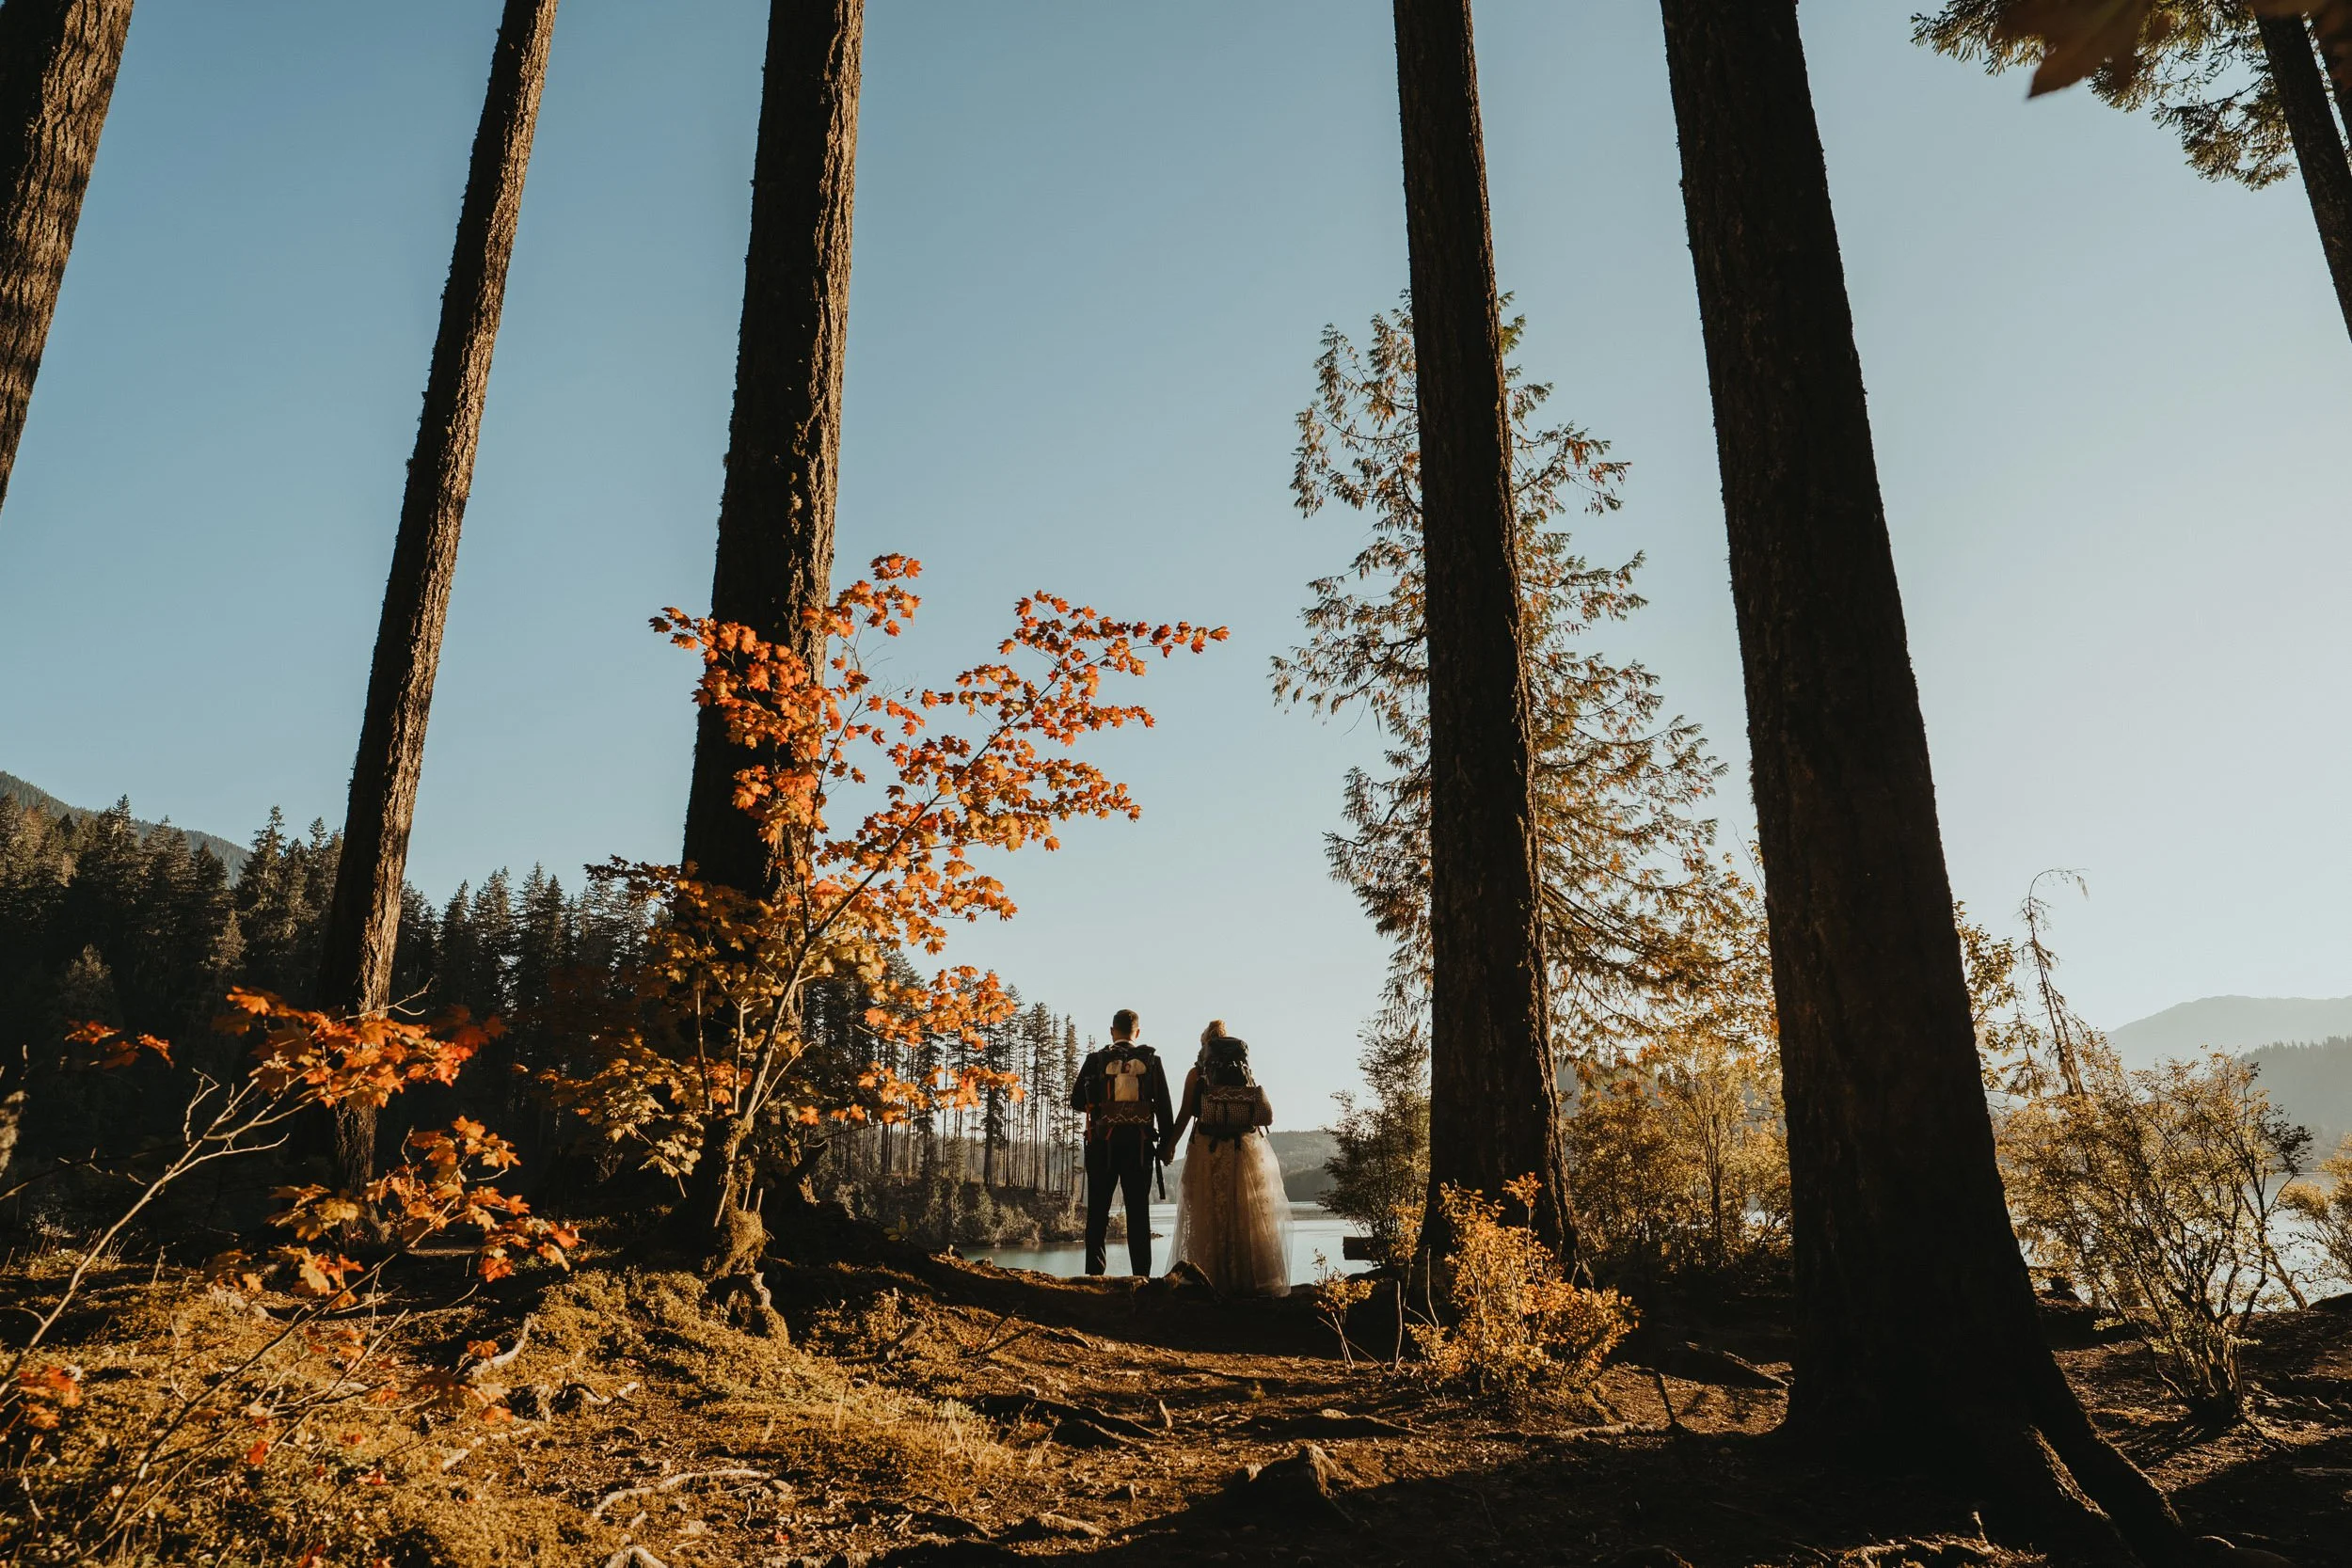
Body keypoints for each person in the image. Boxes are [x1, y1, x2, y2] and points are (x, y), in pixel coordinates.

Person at [1164, 1020, 1290, 1296]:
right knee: (1243, 1214)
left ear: (1205, 1045)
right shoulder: (1244, 1072)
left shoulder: (1198, 1073)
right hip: (1242, 1148)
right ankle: (1245, 1280)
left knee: (1207, 1213)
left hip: (1207, 1149)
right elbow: (1262, 1114)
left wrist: (1169, 1145)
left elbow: (1186, 1114)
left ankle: (1209, 1277)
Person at [1069, 1008, 1174, 1277]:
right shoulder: (1151, 1061)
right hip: (1139, 1150)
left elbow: (1076, 1101)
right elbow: (1164, 1108)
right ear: (1136, 1033)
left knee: (1098, 1216)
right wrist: (1166, 1147)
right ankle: (1142, 1278)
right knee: (1139, 1216)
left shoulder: (1096, 1060)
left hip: (1102, 1147)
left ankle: (1094, 1277)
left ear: (1112, 1031)